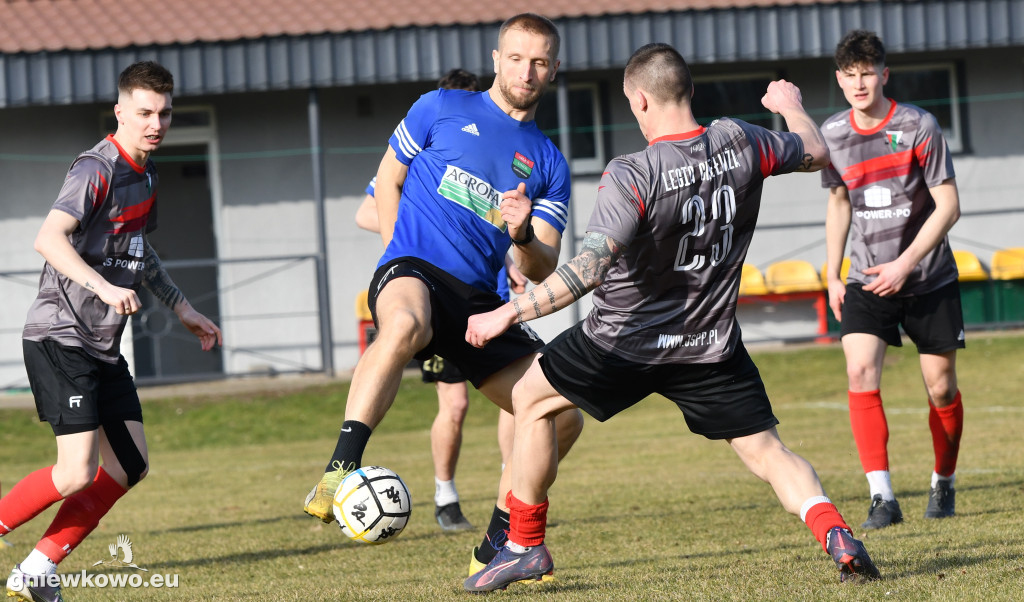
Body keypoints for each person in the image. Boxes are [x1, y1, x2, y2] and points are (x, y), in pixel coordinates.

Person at [463, 43, 881, 592]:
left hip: (622, 341)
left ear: (639, 101)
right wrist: (789, 103)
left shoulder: (632, 173)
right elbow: (816, 149)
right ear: (687, 91)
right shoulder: (741, 140)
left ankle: (525, 545)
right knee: (766, 450)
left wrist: (507, 313)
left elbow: (588, 270)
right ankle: (835, 532)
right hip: (709, 342)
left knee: (530, 400)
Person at [303, 13, 584, 574]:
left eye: (539, 61)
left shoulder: (549, 162)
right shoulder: (440, 107)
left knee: (563, 410)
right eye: (517, 58)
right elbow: (387, 179)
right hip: (413, 269)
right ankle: (340, 468)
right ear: (498, 58)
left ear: (553, 70)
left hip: (479, 301)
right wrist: (393, 252)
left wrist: (522, 231)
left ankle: (498, 542)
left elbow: (545, 261)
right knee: (406, 326)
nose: (526, 71)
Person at [0, 61, 222, 602]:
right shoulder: (95, 168)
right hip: (60, 336)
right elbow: (49, 239)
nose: (156, 123)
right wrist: (101, 287)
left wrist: (182, 308)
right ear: (121, 112)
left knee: (130, 465)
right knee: (75, 473)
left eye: (164, 113)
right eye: (144, 112)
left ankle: (36, 570)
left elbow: (140, 255)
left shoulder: (145, 176)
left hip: (102, 346)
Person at [352, 67, 525, 532]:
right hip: (425, 289)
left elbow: (492, 223)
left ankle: (514, 492)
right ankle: (445, 496)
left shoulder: (505, 157)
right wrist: (407, 248)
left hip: (486, 295)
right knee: (455, 406)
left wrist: (511, 258)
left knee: (520, 407)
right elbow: (367, 208)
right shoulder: (425, 148)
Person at [821, 30, 964, 530]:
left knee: (940, 387)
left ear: (884, 74)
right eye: (850, 75)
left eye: (868, 73)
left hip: (927, 277)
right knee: (860, 373)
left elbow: (949, 206)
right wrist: (832, 273)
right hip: (864, 278)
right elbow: (839, 201)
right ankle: (882, 497)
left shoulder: (917, 124)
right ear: (839, 80)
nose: (860, 83)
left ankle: (942, 481)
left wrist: (905, 263)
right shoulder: (833, 134)